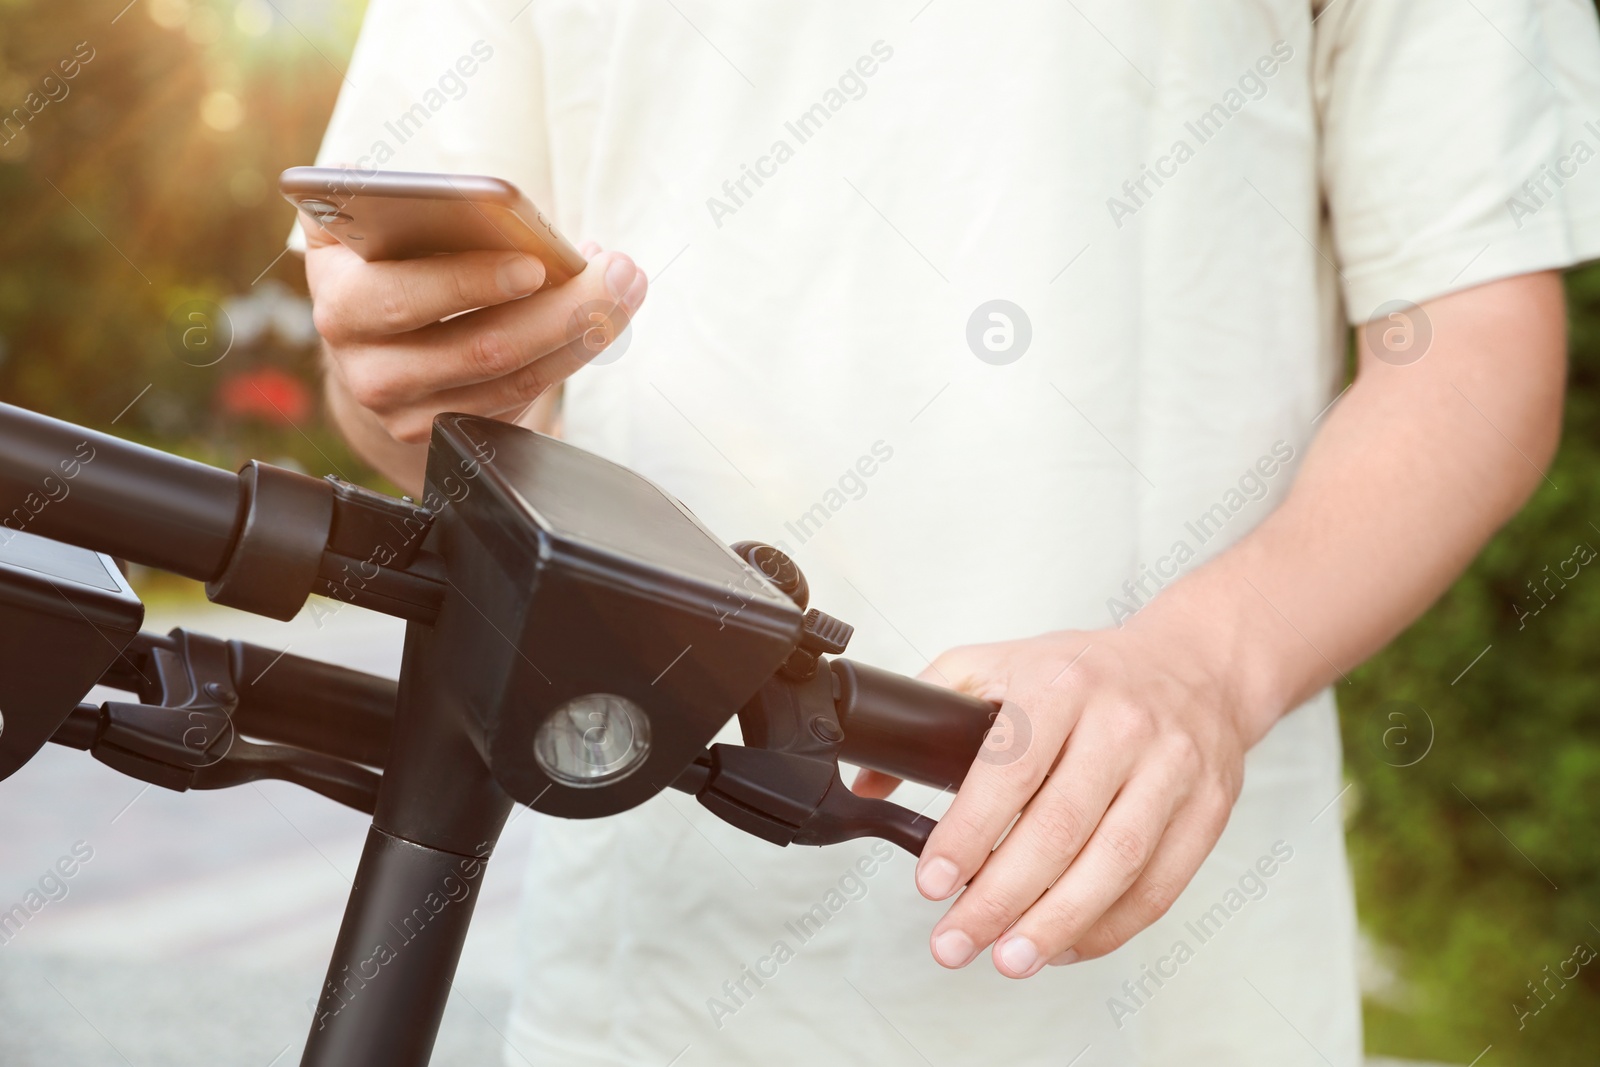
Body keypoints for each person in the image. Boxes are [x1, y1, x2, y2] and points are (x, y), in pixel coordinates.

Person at [292, 1, 1600, 1063]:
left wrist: (1202, 665)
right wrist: (403, 383)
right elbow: (403, 366)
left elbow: (1471, 335)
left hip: (1177, 999)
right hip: (654, 985)